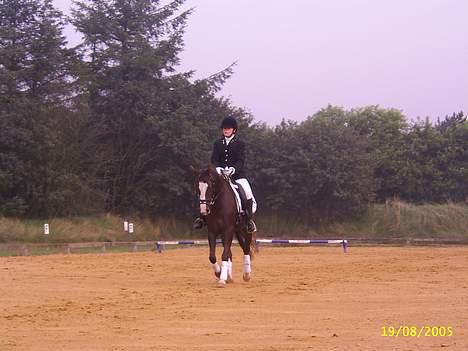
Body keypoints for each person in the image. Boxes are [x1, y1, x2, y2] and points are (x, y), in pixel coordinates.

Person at [193, 116, 257, 233]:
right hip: (220, 175)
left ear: (234, 130)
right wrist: (218, 169)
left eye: (228, 129)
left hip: (237, 175)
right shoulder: (218, 144)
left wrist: (233, 169)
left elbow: (240, 161)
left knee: (247, 192)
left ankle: (249, 221)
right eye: (224, 129)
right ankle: (202, 218)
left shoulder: (240, 144)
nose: (226, 130)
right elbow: (214, 159)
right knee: (204, 190)